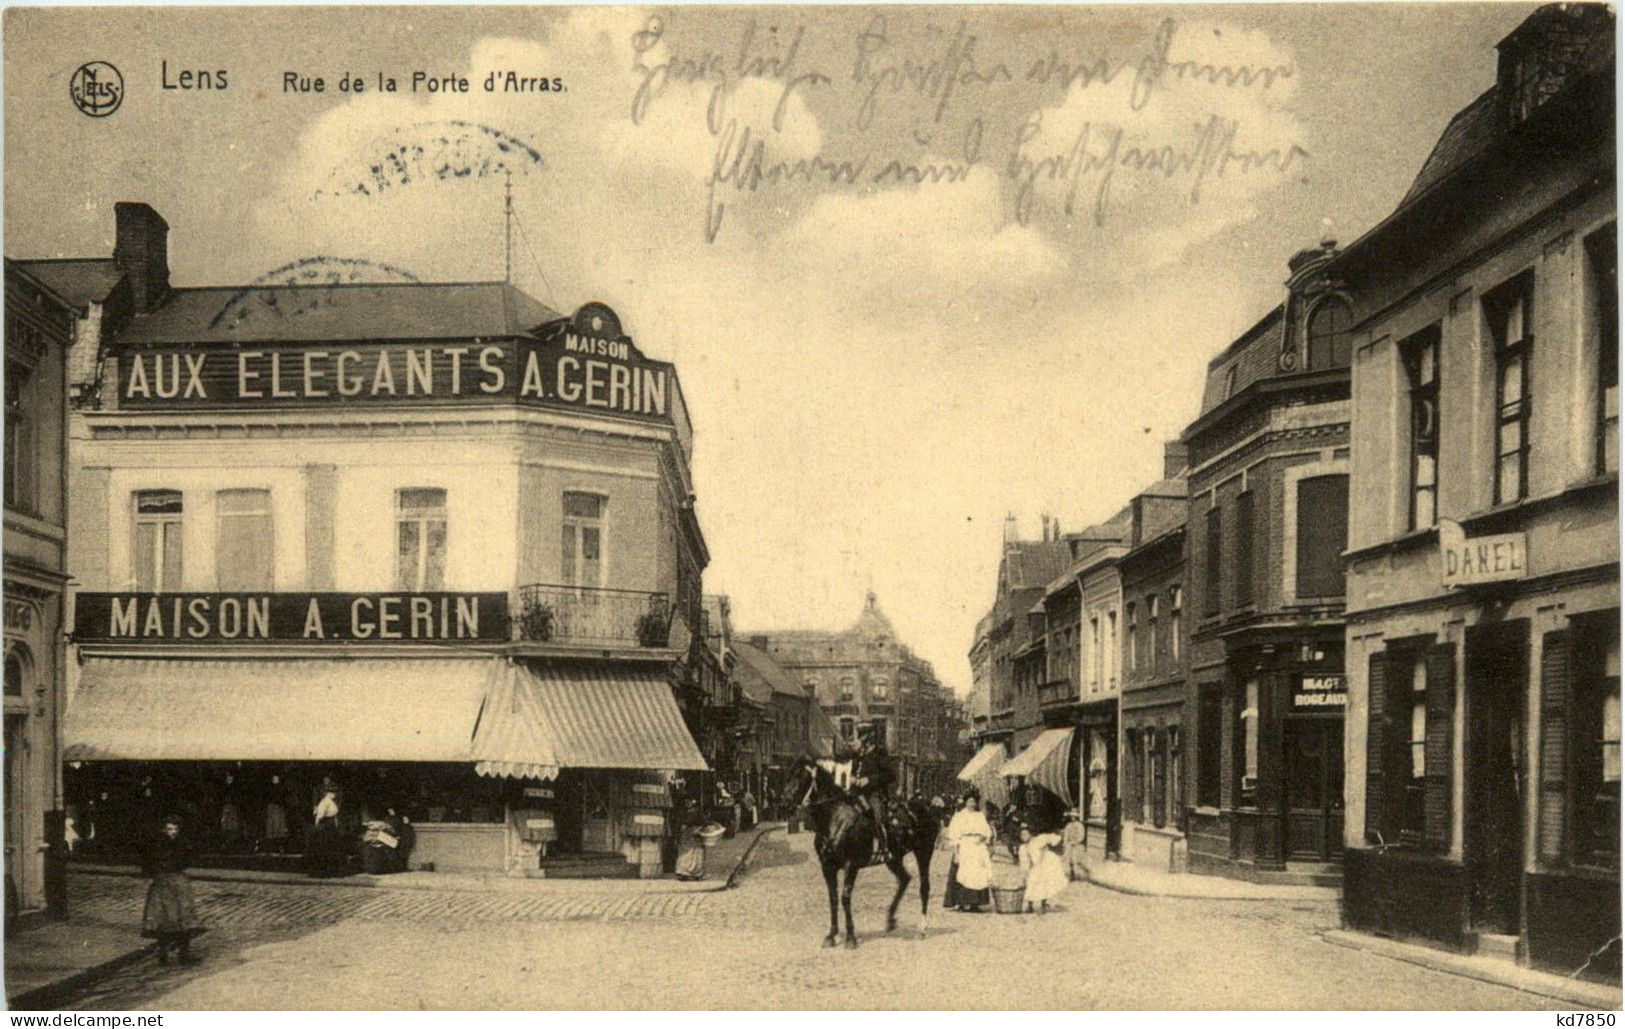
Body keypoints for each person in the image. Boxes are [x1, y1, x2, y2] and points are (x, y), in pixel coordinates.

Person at [141, 816, 201, 966]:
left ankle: (184, 954)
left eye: (175, 829)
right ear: (163, 830)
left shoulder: (182, 844)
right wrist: (155, 872)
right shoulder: (157, 845)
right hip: (162, 883)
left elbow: (188, 860)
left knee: (183, 916)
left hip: (179, 882)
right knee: (162, 918)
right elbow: (147, 861)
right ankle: (163, 954)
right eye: (169, 829)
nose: (173, 832)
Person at [942, 794, 993, 912]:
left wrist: (982, 838)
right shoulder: (959, 816)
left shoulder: (980, 816)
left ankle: (975, 903)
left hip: (977, 845)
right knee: (963, 873)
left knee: (978, 873)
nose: (971, 804)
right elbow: (954, 833)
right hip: (965, 845)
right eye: (969, 801)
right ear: (965, 802)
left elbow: (986, 831)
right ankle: (961, 902)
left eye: (973, 801)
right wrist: (956, 850)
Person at [850, 723, 896, 853]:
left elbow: (891, 775)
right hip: (857, 793)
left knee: (876, 817)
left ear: (868, 737)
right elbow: (853, 772)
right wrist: (852, 778)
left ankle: (884, 846)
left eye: (861, 736)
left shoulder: (879, 752)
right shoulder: (858, 755)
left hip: (874, 793)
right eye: (859, 736)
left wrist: (869, 780)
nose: (858, 740)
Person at [1019, 825, 1068, 913]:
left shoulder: (1038, 840)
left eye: (1025, 834)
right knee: (1031, 883)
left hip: (1046, 863)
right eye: (1022, 834)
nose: (1023, 836)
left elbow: (1054, 838)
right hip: (1035, 866)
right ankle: (1030, 905)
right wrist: (1026, 871)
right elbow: (1024, 862)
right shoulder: (1023, 848)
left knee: (1044, 885)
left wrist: (1047, 848)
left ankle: (1043, 904)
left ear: (1030, 834)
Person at [674, 801, 707, 881]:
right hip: (685, 835)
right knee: (684, 853)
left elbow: (704, 823)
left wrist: (698, 829)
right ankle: (683, 872)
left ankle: (696, 873)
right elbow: (678, 823)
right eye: (686, 801)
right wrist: (681, 828)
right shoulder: (682, 812)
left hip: (695, 834)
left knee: (696, 853)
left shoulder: (698, 812)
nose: (688, 803)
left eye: (689, 801)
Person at [1062, 809, 1086, 881]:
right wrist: (1065, 842)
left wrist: (1076, 841)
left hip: (1077, 845)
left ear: (1076, 817)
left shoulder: (1079, 825)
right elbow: (1066, 835)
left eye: (1074, 816)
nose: (1072, 818)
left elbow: (1081, 836)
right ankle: (1072, 874)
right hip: (1069, 844)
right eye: (1072, 816)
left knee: (1075, 860)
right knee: (1069, 860)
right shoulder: (1068, 825)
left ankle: (1077, 875)